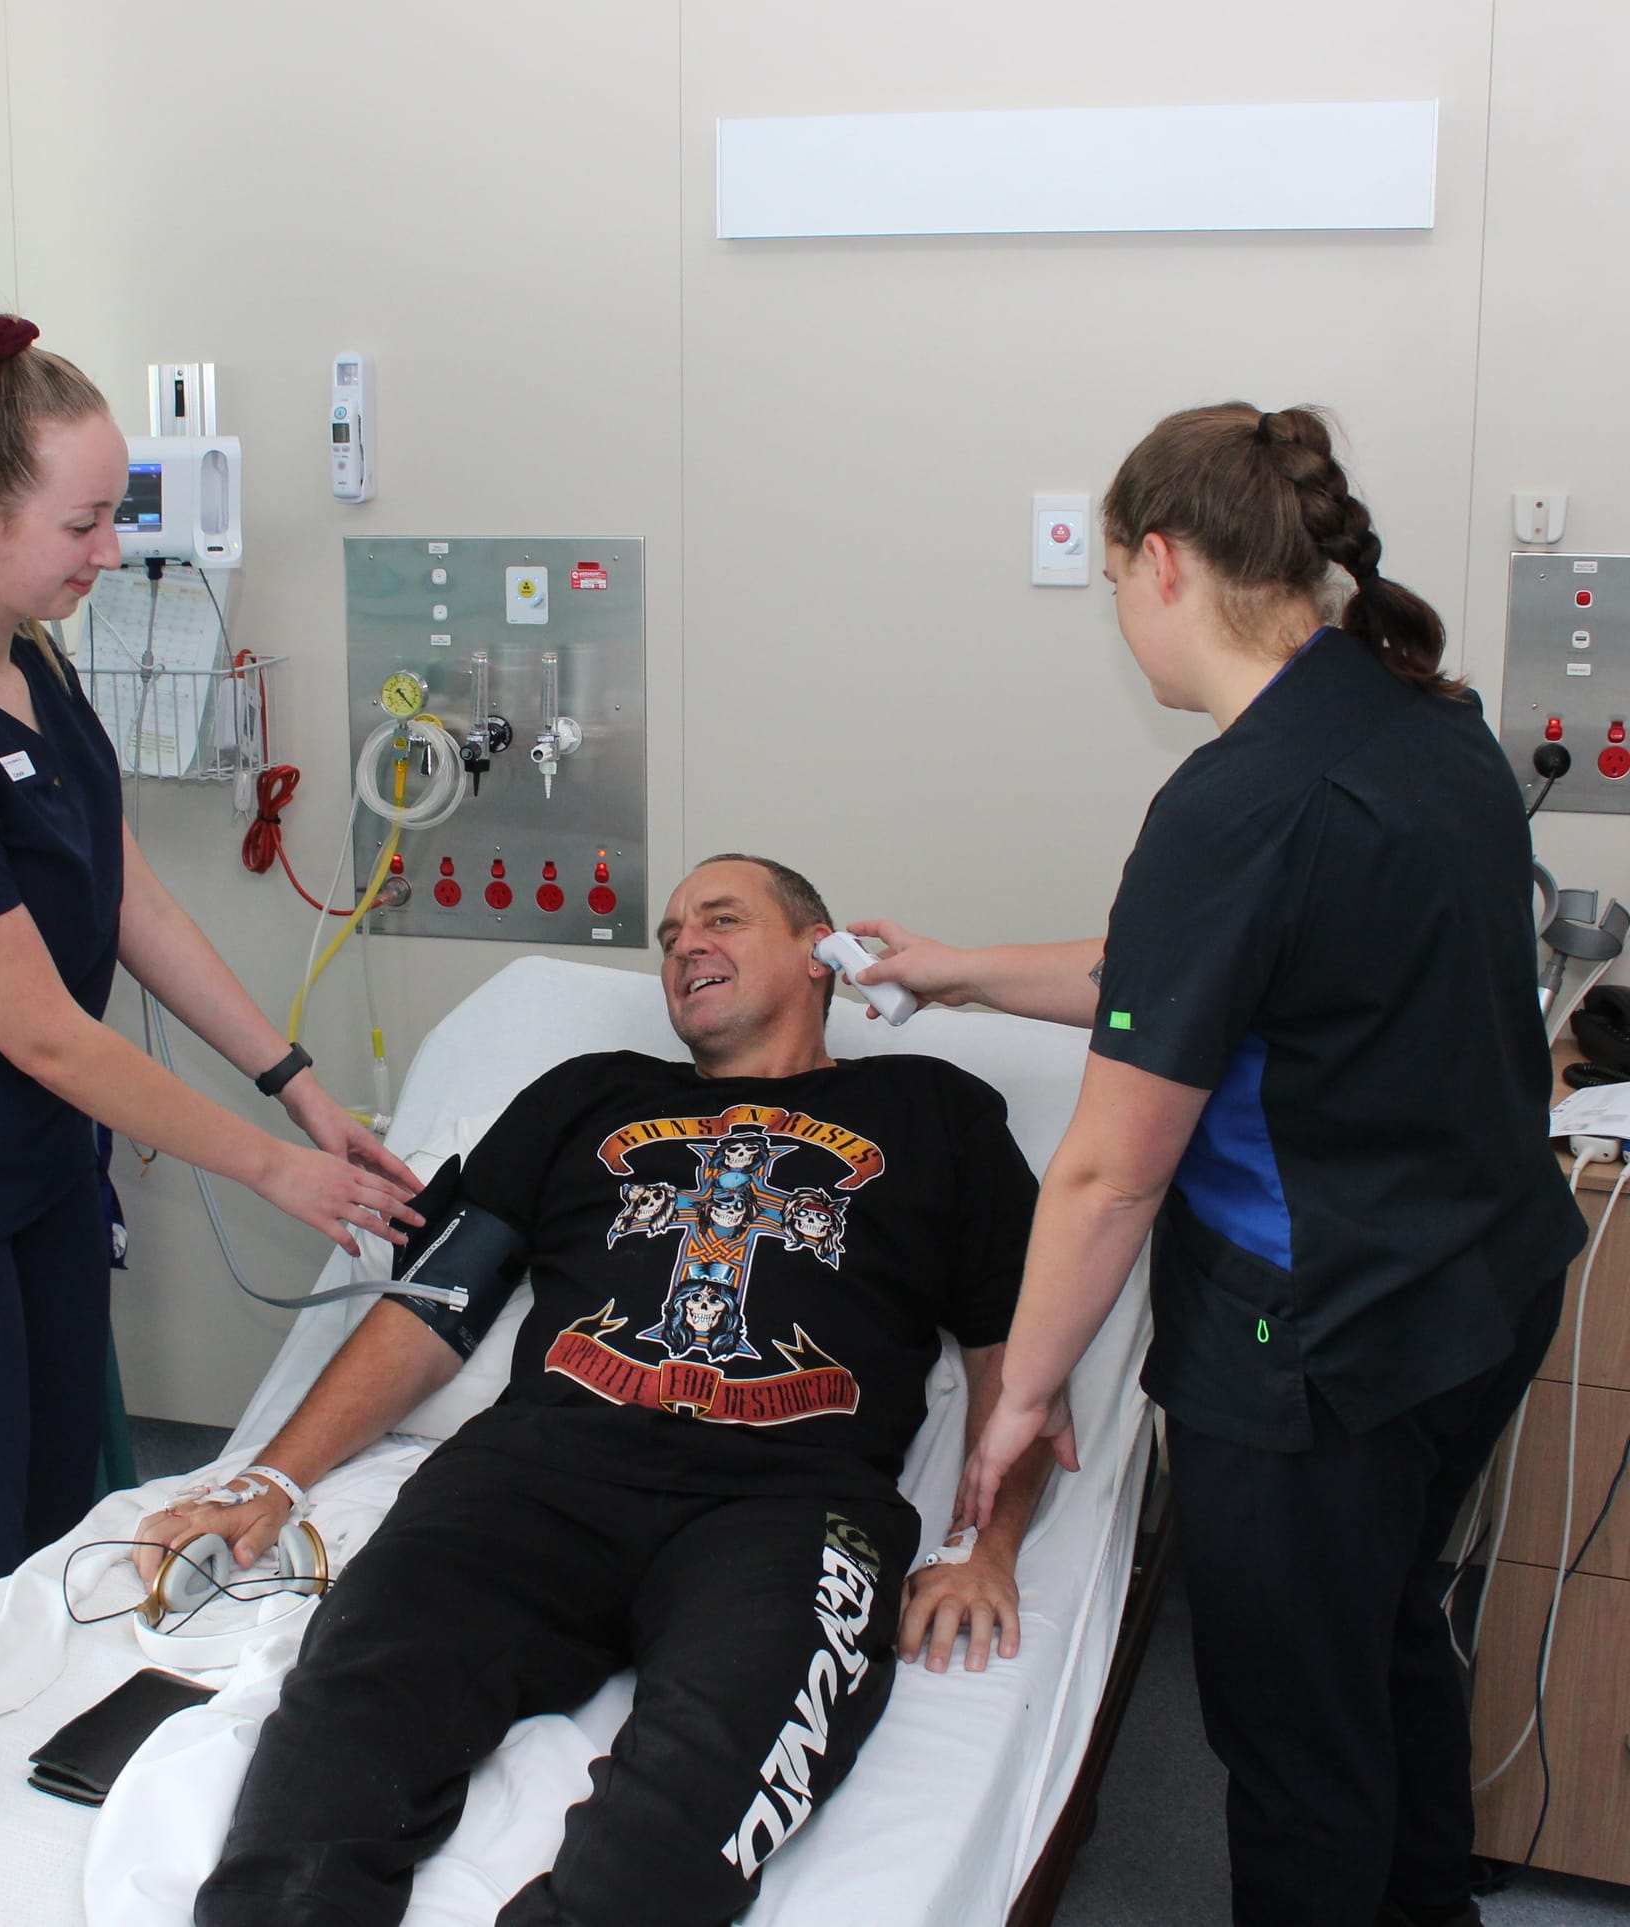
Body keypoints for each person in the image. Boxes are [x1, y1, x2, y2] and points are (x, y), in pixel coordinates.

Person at [850, 405, 1588, 1927]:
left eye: (1117, 576)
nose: (1125, 621)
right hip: (1480, 1293)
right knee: (1387, 1643)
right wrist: (965, 972)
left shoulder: (1231, 801)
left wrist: (1029, 1396)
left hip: (1312, 1347)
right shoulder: (1420, 715)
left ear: (1165, 564)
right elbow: (1196, 967)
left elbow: (1109, 1174)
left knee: (1295, 1742)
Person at [133, 854, 1056, 1927]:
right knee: (345, 1719)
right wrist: (273, 1479)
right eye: (667, 937)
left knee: (684, 1818)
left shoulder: (931, 1111)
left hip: (790, 1506)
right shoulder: (583, 1096)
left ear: (821, 954)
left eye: (720, 918)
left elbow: (1016, 1356)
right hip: (532, 1480)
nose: (684, 947)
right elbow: (437, 1306)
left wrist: (980, 1547)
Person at [0, 311, 423, 1681]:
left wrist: (297, 1085)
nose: (111, 553)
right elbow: (49, 1028)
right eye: (86, 524)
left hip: (30, 1184)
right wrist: (269, 1170)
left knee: (59, 1535)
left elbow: (130, 900)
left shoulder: (37, 670)